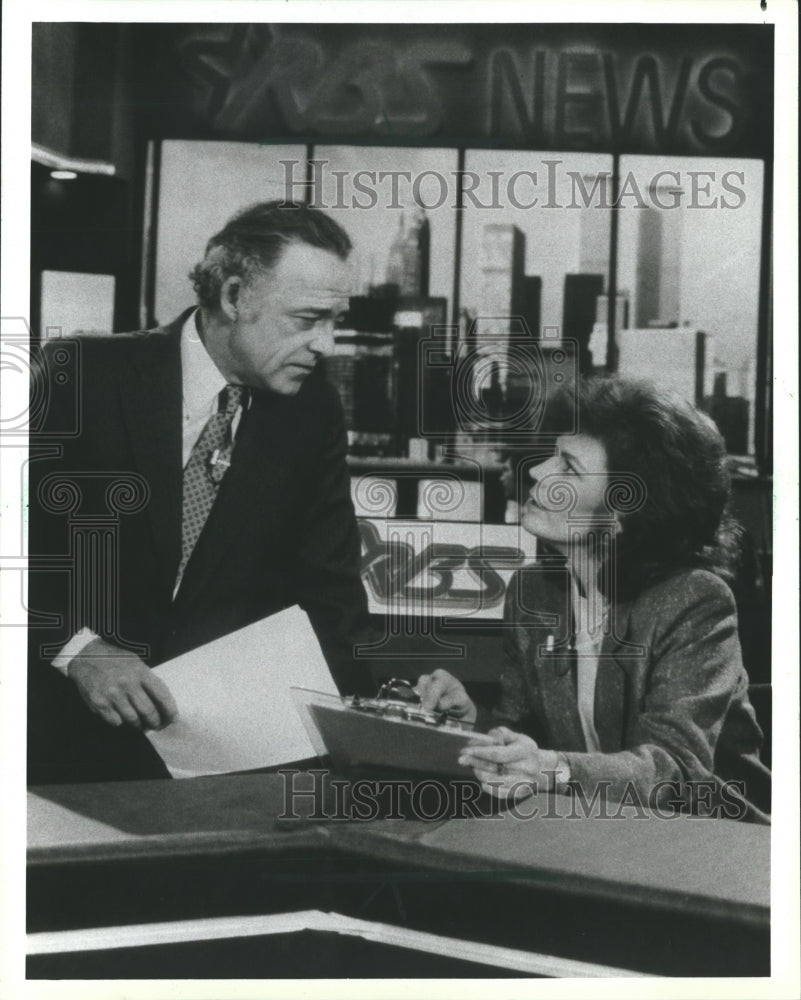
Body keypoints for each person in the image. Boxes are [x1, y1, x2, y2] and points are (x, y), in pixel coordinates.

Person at [28, 201, 370, 784]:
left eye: (335, 320)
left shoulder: (311, 412)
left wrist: (385, 705)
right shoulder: (80, 374)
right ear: (234, 296)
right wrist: (77, 649)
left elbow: (330, 589)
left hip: (219, 762)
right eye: (309, 319)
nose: (328, 345)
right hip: (55, 743)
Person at [417, 376, 770, 822]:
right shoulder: (532, 593)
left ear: (624, 511)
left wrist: (552, 769)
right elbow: (526, 735)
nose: (537, 471)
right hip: (590, 834)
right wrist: (469, 719)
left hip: (711, 850)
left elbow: (674, 772)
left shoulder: (694, 601)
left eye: (568, 467)